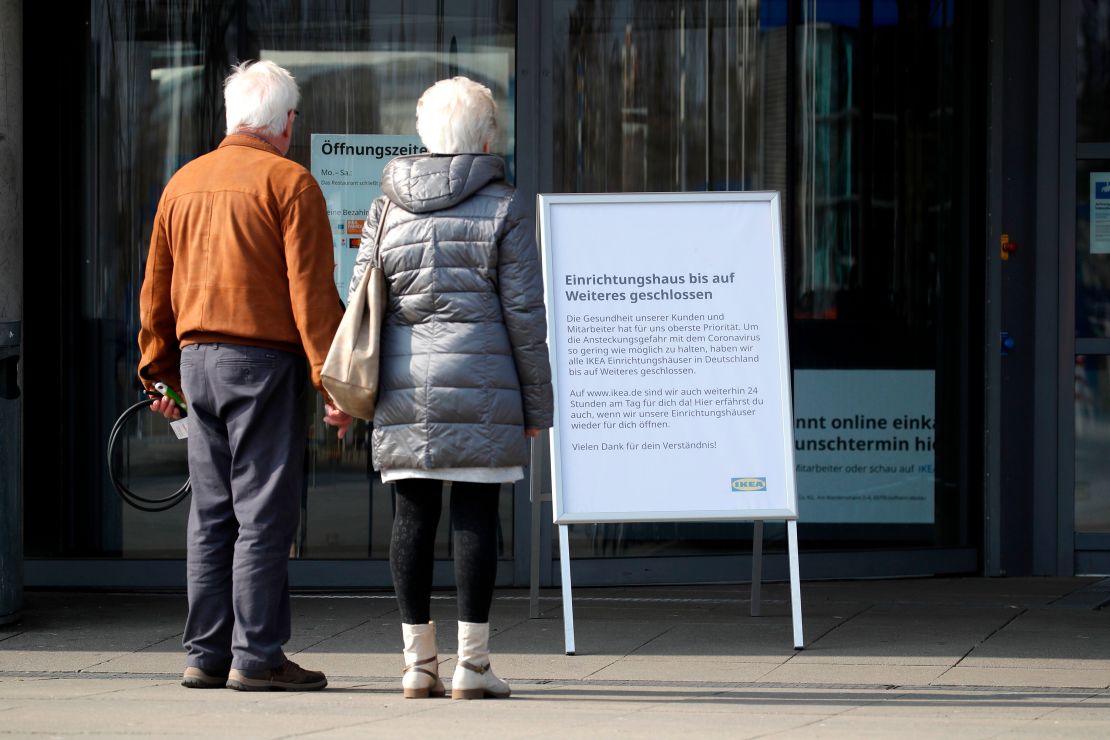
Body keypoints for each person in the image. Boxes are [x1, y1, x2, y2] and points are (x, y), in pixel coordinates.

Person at [138, 60, 351, 691]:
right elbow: (312, 298)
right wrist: (334, 383)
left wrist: (159, 374)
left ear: (233, 118)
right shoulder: (292, 184)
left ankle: (204, 654)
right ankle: (256, 656)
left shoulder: (183, 183)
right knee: (263, 512)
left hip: (197, 363)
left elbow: (156, 292)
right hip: (262, 362)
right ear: (286, 123)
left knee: (211, 513)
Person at [341, 76, 553, 700]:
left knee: (412, 515)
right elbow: (524, 315)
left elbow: (362, 301)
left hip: (403, 386)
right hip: (483, 384)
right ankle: (474, 666)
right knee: (476, 514)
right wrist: (537, 404)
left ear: (425, 136)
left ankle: (416, 664)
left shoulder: (385, 207)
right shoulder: (505, 206)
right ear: (487, 137)